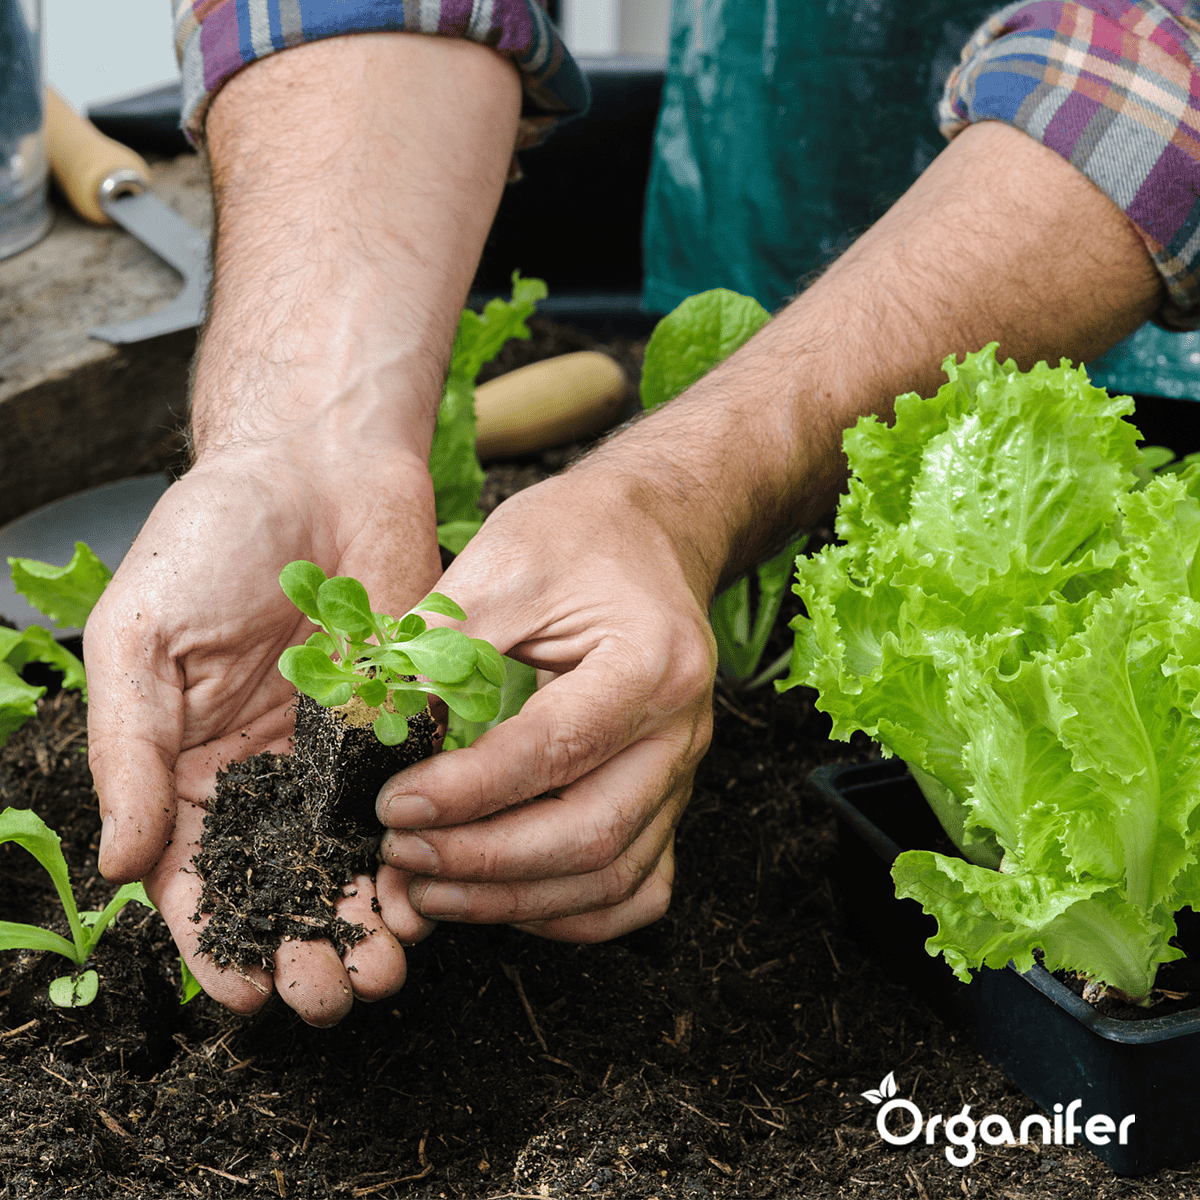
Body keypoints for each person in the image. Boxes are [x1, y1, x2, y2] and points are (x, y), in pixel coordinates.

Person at [85, 0, 1194, 1024]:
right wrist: (302, 437)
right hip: (765, 183)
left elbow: (1154, 81)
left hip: (1131, 300)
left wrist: (676, 495)